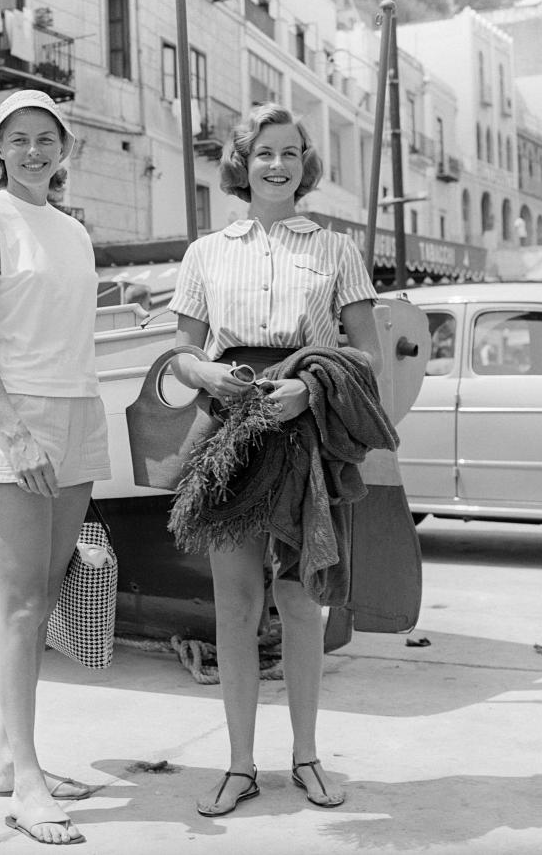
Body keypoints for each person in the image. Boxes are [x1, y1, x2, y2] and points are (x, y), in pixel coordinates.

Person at [167, 103, 383, 817]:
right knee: (235, 603)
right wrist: (203, 376)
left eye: (291, 153)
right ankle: (238, 766)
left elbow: (368, 353)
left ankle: (307, 758)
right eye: (264, 152)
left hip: (304, 431)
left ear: (305, 164)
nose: (278, 165)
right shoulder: (206, 252)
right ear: (242, 161)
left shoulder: (337, 250)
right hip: (231, 429)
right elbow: (182, 352)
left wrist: (308, 387)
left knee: (298, 600)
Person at [0, 88, 110, 846]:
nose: (35, 150)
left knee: (47, 595)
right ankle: (30, 784)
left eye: (48, 138)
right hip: (18, 424)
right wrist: (15, 436)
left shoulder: (74, 233)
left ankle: (9, 756)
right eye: (20, 138)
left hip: (78, 414)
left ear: (64, 147)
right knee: (19, 602)